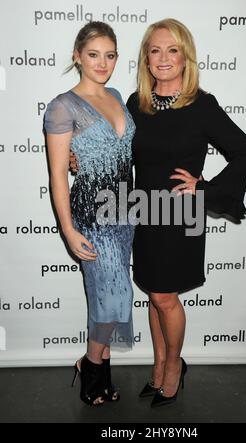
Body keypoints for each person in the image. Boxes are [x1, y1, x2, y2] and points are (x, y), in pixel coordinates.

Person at [70, 18, 246, 408]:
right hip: (146, 212)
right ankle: (158, 368)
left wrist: (204, 188)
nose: (163, 58)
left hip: (180, 215)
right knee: (156, 296)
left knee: (165, 297)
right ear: (145, 58)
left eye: (172, 49)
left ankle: (174, 366)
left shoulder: (201, 105)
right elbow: (114, 151)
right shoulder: (136, 104)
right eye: (155, 50)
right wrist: (80, 159)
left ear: (185, 56)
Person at [44, 21, 136, 406]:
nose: (103, 63)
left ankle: (101, 370)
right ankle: (89, 365)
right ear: (77, 56)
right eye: (94, 54)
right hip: (92, 216)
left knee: (108, 299)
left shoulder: (117, 95)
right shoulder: (62, 107)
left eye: (110, 55)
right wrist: (67, 229)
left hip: (127, 212)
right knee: (113, 298)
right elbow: (58, 177)